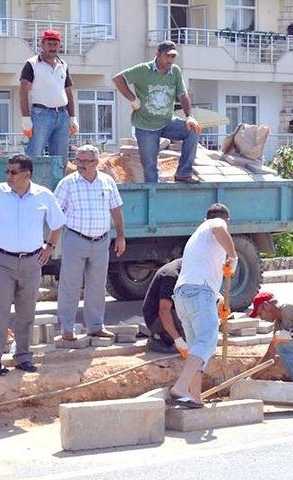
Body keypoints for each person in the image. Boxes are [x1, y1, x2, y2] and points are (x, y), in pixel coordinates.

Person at [0, 154, 66, 376]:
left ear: (27, 174)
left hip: (32, 261)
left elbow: (58, 223)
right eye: (7, 171)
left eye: (13, 172)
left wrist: (49, 246)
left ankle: (23, 356)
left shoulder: (44, 196)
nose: (9, 176)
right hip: (2, 261)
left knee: (27, 312)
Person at [53, 145, 126, 341]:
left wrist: (120, 236)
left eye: (85, 161)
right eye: (78, 160)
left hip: (101, 241)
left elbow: (116, 210)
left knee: (97, 285)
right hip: (76, 239)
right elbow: (55, 214)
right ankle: (67, 328)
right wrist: (51, 242)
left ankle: (95, 326)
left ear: (96, 163)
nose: (81, 165)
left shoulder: (107, 182)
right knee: (70, 285)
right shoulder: (67, 184)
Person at [169, 203, 237, 408]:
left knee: (197, 350)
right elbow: (219, 228)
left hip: (183, 295)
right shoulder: (215, 224)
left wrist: (218, 300)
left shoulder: (197, 236)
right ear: (227, 220)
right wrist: (233, 256)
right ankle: (181, 387)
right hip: (199, 292)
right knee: (207, 341)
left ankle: (194, 396)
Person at [113, 40, 202, 183]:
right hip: (145, 126)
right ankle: (154, 197)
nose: (170, 60)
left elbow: (183, 95)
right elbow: (118, 79)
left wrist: (189, 117)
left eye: (173, 57)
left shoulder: (175, 71)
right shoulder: (143, 70)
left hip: (167, 121)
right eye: (167, 56)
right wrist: (132, 99)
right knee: (150, 167)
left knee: (193, 130)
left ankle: (183, 173)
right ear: (158, 55)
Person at [20, 29, 78, 167]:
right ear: (42, 45)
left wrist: (72, 117)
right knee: (34, 155)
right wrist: (26, 119)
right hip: (41, 115)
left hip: (62, 116)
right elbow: (23, 92)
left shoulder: (63, 65)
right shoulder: (32, 64)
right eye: (49, 44)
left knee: (60, 159)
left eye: (55, 44)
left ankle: (57, 188)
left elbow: (68, 91)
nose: (52, 47)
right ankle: (28, 186)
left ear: (59, 46)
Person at [142, 258, 187, 354]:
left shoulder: (188, 272)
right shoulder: (171, 276)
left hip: (173, 311)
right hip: (156, 319)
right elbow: (164, 310)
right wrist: (178, 340)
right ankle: (160, 338)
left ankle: (170, 335)